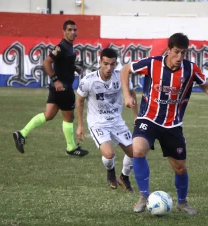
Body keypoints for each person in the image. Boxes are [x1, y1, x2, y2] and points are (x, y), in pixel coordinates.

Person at [121, 32, 208, 215]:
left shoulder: (190, 69)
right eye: (176, 52)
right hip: (148, 119)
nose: (179, 57)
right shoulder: (152, 64)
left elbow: (205, 85)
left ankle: (182, 203)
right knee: (138, 150)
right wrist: (127, 94)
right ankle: (144, 195)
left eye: (183, 53)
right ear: (168, 50)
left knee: (180, 167)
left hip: (172, 125)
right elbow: (126, 69)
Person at [13, 20, 88, 157]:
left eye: (74, 30)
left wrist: (74, 67)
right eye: (70, 30)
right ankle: (71, 148)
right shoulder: (61, 47)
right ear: (64, 31)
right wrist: (56, 80)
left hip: (57, 88)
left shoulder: (69, 47)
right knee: (69, 118)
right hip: (63, 88)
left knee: (48, 115)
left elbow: (63, 64)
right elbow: (47, 62)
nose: (73, 32)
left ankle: (22, 133)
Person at [76, 48, 138, 191]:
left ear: (116, 64)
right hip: (97, 123)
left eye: (112, 64)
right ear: (100, 62)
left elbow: (132, 94)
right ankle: (111, 172)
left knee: (135, 153)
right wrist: (80, 125)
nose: (109, 67)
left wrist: (136, 116)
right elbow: (79, 101)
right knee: (109, 154)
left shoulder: (121, 77)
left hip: (117, 121)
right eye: (105, 64)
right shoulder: (88, 80)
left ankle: (124, 177)